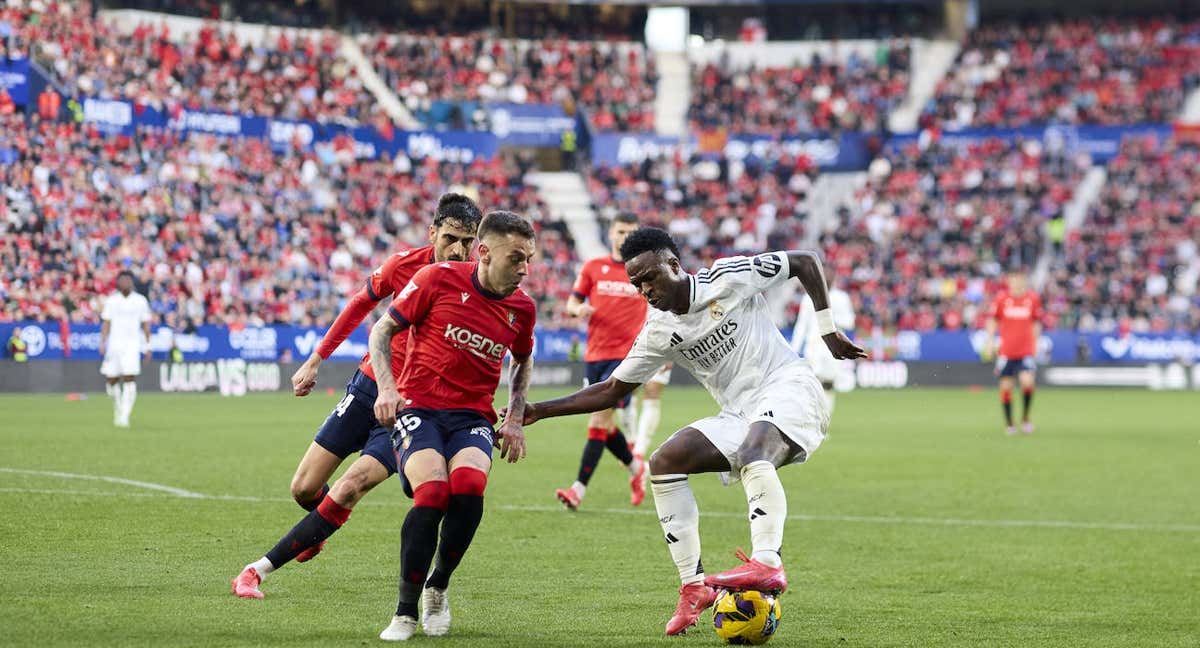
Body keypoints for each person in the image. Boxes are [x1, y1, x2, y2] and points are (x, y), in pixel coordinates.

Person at [510, 228, 865, 636]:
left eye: (650, 277)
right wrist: (537, 410)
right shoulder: (659, 331)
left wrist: (827, 330)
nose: (645, 289)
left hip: (789, 387)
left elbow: (805, 260)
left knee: (754, 452)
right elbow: (611, 389)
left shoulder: (728, 277)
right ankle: (694, 587)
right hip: (740, 413)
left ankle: (767, 560)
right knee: (664, 462)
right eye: (637, 284)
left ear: (674, 266)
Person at [231, 195, 481, 598]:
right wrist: (315, 359)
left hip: (405, 405)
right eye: (451, 238)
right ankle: (320, 524)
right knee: (304, 489)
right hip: (367, 387)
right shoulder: (404, 265)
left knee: (352, 484)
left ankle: (256, 569)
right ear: (432, 232)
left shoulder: (473, 284)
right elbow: (360, 304)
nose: (458, 250)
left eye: (468, 242)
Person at [371, 211, 537, 641]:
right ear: (483, 252)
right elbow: (382, 329)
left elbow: (522, 360)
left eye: (530, 259)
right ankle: (404, 612)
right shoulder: (436, 279)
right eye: (516, 258)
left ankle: (437, 587)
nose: (525, 269)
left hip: (472, 418)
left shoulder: (522, 308)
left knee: (467, 488)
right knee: (433, 494)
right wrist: (387, 389)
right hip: (419, 409)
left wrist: (515, 417)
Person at [554, 213, 653, 511]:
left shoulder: (644, 270)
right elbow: (572, 302)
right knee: (604, 426)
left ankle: (577, 490)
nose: (625, 237)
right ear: (611, 234)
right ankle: (637, 469)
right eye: (620, 231)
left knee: (598, 420)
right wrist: (578, 309)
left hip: (628, 358)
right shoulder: (593, 267)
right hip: (594, 356)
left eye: (631, 233)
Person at [982, 269, 1042, 435]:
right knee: (1006, 386)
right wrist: (989, 341)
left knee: (1027, 382)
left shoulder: (1032, 299)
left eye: (1020, 279)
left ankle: (1025, 418)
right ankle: (1009, 423)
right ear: (1009, 281)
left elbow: (1036, 323)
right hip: (1006, 351)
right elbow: (993, 320)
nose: (1017, 282)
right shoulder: (1002, 299)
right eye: (1014, 279)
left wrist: (1036, 343)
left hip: (1025, 350)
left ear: (1024, 281)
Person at [790, 276, 855, 414]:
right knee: (813, 382)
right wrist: (794, 349)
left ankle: (824, 420)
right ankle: (810, 418)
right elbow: (802, 325)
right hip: (814, 345)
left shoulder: (841, 298)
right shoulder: (809, 298)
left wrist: (831, 318)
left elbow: (850, 322)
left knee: (829, 384)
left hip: (834, 346)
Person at [99, 270, 152, 428]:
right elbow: (106, 322)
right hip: (114, 345)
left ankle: (124, 415)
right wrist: (103, 342)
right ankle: (118, 406)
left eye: (128, 280)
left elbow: (146, 324)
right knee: (111, 381)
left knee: (129, 378)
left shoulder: (140, 301)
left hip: (132, 345)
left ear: (132, 282)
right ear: (118, 283)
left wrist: (147, 346)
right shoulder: (112, 300)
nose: (125, 283)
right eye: (122, 280)